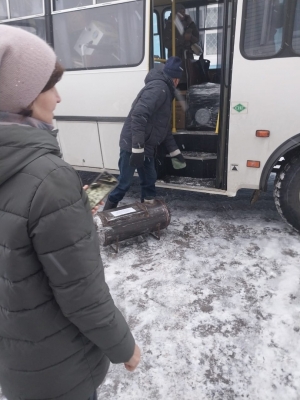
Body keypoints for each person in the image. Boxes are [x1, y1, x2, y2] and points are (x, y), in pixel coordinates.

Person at [0, 25, 140, 400]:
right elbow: (82, 293)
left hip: (16, 363)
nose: (58, 98)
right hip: (60, 370)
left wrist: (56, 207)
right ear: (23, 96)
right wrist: (124, 347)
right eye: (49, 86)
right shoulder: (48, 179)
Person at [103, 56, 186, 211]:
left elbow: (164, 128)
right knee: (124, 183)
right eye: (178, 79)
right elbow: (139, 115)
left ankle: (148, 213)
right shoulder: (159, 89)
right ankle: (104, 213)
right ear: (175, 79)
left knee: (149, 180)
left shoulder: (165, 91)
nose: (178, 83)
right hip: (133, 144)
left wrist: (175, 152)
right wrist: (137, 148)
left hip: (146, 146)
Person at [163, 3, 200, 87]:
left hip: (188, 59)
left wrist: (191, 23)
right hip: (176, 59)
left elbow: (197, 38)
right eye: (180, 12)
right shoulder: (170, 25)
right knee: (179, 83)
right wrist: (183, 38)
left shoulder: (188, 23)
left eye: (184, 12)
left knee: (190, 82)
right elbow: (167, 44)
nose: (183, 14)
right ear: (175, 12)